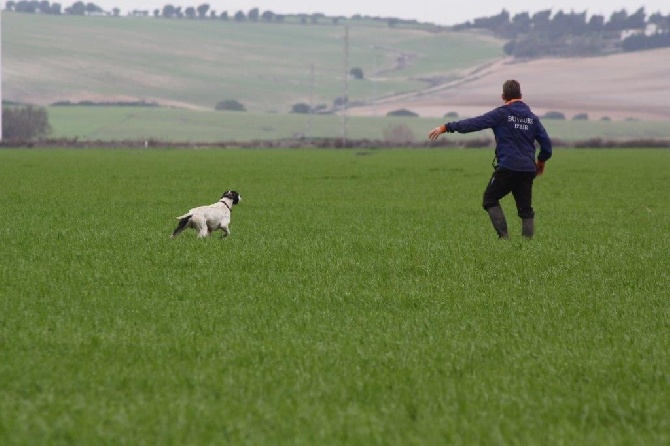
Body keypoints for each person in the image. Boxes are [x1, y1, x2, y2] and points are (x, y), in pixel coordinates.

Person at [428, 79, 552, 239]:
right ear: (521, 95)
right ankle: (527, 247)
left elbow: (473, 124)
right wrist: (540, 162)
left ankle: (504, 238)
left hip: (508, 167)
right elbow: (547, 146)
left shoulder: (501, 114)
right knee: (526, 210)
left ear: (503, 96)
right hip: (528, 169)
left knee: (490, 198)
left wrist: (446, 127)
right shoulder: (532, 118)